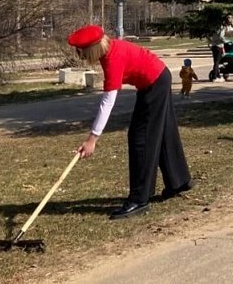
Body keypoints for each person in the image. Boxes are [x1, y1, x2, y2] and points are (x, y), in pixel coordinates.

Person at [69, 25, 193, 219]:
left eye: (81, 52)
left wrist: (92, 139)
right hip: (159, 78)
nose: (81, 56)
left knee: (140, 138)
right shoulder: (110, 48)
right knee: (162, 131)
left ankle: (139, 199)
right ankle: (179, 181)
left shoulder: (112, 60)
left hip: (155, 83)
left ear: (92, 49)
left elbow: (108, 103)